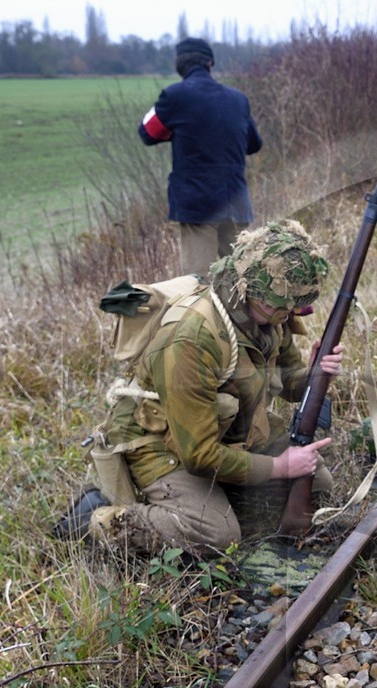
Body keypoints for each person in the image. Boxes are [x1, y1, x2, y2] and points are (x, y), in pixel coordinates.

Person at [52, 220, 340, 557]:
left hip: (226, 432)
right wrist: (279, 468)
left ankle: (219, 495)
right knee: (218, 534)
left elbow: (291, 385)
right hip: (162, 444)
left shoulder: (268, 315)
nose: (292, 313)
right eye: (286, 306)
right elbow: (198, 455)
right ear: (256, 292)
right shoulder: (193, 339)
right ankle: (97, 518)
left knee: (318, 484)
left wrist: (318, 374)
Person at [140, 36, 263, 277]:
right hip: (237, 203)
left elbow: (147, 132)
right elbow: (254, 144)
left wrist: (179, 131)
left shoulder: (175, 96)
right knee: (247, 282)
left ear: (179, 66)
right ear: (210, 64)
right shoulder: (238, 99)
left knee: (198, 284)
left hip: (198, 206)